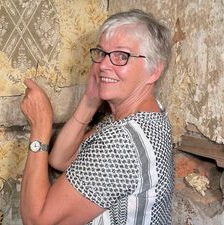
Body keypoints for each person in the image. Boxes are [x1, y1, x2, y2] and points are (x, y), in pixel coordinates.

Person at [20, 9, 173, 225]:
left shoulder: (123, 143)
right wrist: (90, 100)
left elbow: (38, 221)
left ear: (155, 71)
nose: (103, 65)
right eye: (102, 53)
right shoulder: (142, 117)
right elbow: (61, 159)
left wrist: (40, 127)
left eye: (122, 56)